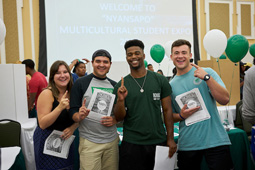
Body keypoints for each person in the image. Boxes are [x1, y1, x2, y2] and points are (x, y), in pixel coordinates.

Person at [113, 39, 177, 170]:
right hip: (132, 143)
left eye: (137, 53)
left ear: (143, 55)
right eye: (130, 54)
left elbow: (167, 110)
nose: (133, 57)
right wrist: (120, 100)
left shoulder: (159, 79)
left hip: (158, 141)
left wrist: (170, 139)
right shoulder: (121, 85)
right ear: (126, 58)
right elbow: (119, 117)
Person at [170, 39, 233, 170]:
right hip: (188, 144)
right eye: (176, 53)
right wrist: (181, 115)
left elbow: (225, 99)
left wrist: (207, 78)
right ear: (171, 57)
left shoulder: (207, 72)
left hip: (216, 141)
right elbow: (169, 116)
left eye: (184, 52)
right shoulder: (170, 85)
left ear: (190, 55)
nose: (180, 56)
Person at [70, 49, 119, 170]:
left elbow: (121, 112)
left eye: (105, 62)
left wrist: (115, 120)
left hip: (111, 142)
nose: (101, 65)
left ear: (110, 64)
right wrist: (79, 116)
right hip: (89, 142)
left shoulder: (115, 85)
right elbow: (73, 111)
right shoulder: (81, 83)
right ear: (92, 63)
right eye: (98, 61)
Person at [33, 60, 78, 169]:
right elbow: (43, 124)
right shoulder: (47, 94)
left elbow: (79, 117)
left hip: (66, 141)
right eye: (58, 73)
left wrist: (72, 127)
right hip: (46, 141)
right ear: (52, 77)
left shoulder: (74, 93)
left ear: (70, 74)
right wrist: (59, 108)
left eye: (65, 72)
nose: (62, 75)